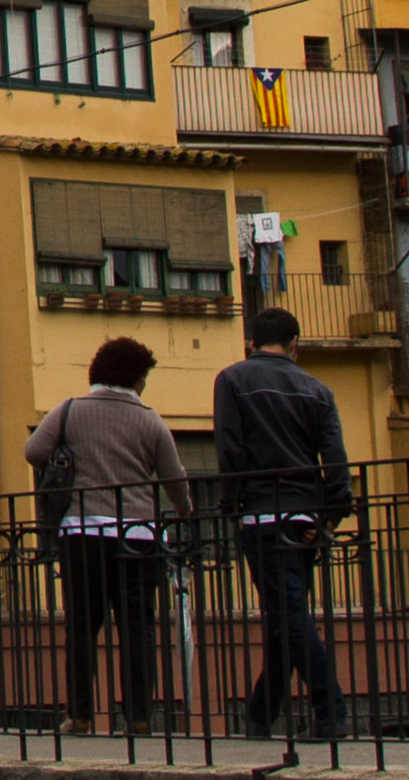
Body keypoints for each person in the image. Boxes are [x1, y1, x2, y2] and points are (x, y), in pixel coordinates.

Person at [26, 339, 186, 736]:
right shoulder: (150, 420)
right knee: (137, 626)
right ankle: (139, 717)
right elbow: (173, 477)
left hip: (83, 531)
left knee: (82, 625)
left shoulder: (69, 411)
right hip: (137, 534)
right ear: (136, 378)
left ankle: (80, 716)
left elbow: (34, 450)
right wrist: (185, 510)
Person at [212, 304, 355, 741]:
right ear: (295, 344)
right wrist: (329, 516)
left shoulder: (232, 380)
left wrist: (231, 505)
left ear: (251, 342)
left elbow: (230, 449)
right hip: (303, 516)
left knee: (289, 617)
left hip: (262, 514)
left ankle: (331, 711)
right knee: (286, 616)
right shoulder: (318, 390)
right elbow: (335, 459)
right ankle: (261, 712)